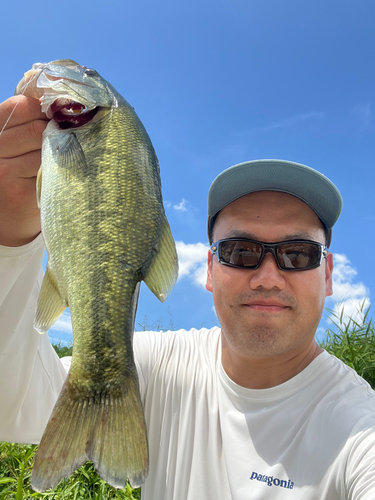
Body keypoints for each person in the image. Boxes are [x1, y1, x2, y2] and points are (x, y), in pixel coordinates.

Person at [1, 95, 375, 500]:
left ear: (329, 273)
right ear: (211, 271)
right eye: (240, 252)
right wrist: (11, 238)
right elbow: (14, 405)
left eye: (298, 254)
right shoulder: (154, 364)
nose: (268, 277)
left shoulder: (360, 429)